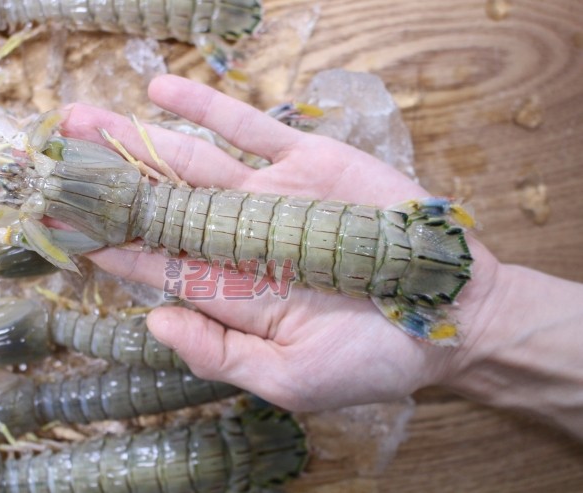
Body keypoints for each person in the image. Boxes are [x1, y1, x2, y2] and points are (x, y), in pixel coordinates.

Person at [60, 74, 583, 440]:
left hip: (361, 247)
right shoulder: (404, 243)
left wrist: (482, 322)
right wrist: (485, 318)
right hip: (365, 242)